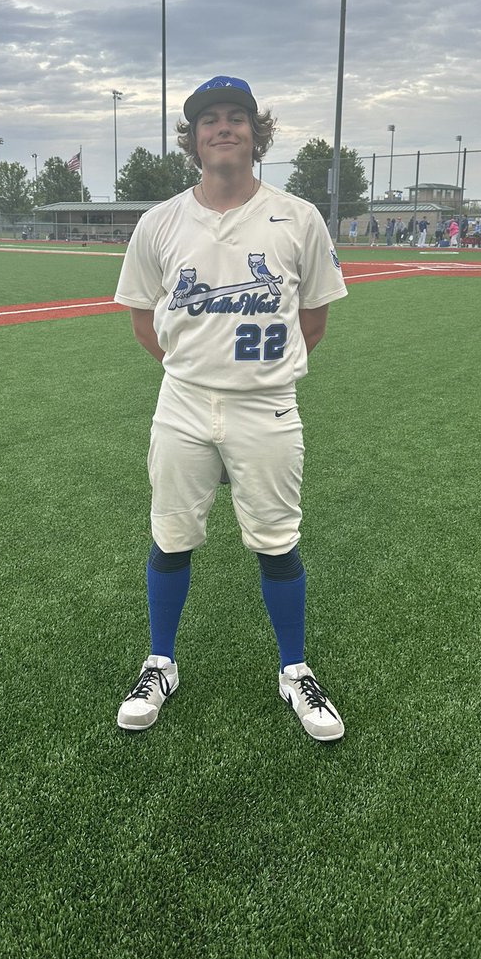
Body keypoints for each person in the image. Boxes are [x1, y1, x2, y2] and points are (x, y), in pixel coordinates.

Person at [113, 75, 348, 742]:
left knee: (277, 541)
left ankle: (295, 670)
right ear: (191, 139)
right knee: (171, 535)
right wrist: (199, 374)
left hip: (268, 406)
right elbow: (142, 323)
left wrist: (251, 378)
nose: (223, 127)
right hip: (183, 404)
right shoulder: (159, 221)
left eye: (236, 118)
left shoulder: (298, 216)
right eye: (209, 119)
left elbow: (314, 323)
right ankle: (160, 663)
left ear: (256, 132)